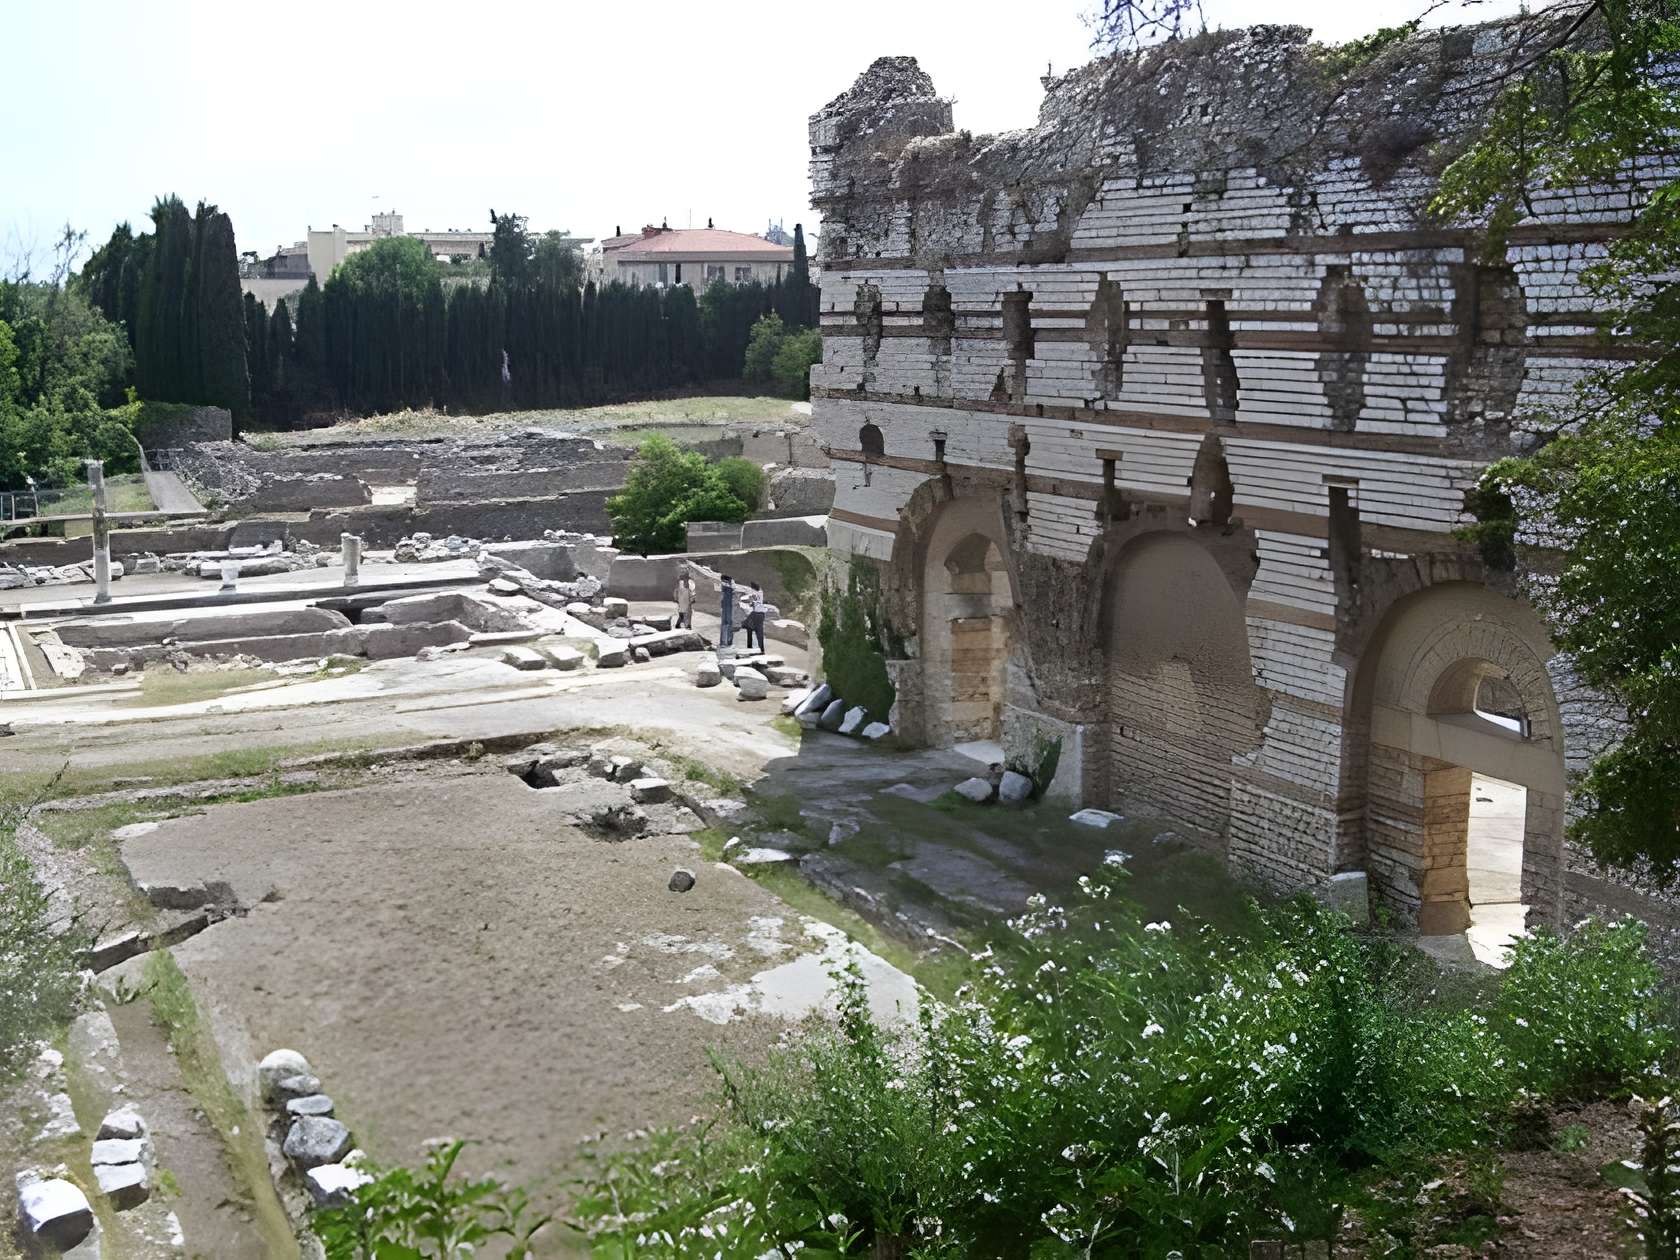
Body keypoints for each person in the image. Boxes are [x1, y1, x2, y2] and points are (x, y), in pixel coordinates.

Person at [744, 581, 766, 652]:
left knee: (749, 628)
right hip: (761, 614)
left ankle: (749, 647)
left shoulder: (754, 594)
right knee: (759, 632)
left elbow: (750, 600)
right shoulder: (761, 592)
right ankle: (761, 649)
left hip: (756, 614)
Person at [719, 574, 735, 648]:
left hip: (727, 607)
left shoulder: (726, 588)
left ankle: (724, 642)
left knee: (725, 624)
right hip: (727, 607)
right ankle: (726, 641)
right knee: (727, 624)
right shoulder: (728, 588)